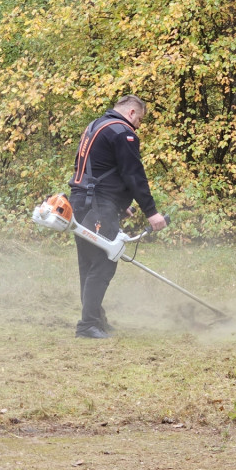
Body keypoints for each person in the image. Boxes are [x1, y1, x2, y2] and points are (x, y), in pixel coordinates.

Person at [68, 95, 167, 339]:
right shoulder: (122, 132)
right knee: (104, 261)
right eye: (140, 119)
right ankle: (88, 325)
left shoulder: (95, 127)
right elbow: (133, 174)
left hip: (80, 202)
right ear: (131, 112)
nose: (139, 125)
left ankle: (95, 319)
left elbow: (97, 167)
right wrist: (151, 212)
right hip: (98, 206)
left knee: (89, 262)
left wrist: (120, 203)